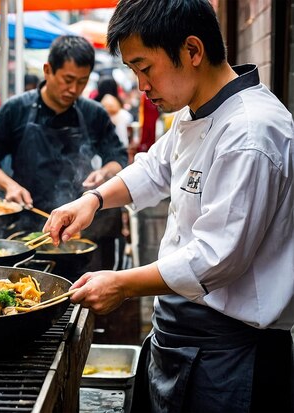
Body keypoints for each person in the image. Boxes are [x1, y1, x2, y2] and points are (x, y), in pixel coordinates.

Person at [43, 1, 294, 412]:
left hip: (231, 356)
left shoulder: (252, 131)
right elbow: (154, 169)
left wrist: (122, 284)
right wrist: (92, 199)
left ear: (192, 51)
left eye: (145, 68)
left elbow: (217, 257)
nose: (141, 85)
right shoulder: (197, 111)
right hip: (181, 332)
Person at [0, 35, 127, 270]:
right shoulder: (16, 110)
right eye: (68, 79)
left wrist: (105, 172)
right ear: (48, 70)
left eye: (82, 82)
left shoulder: (93, 113)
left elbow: (118, 156)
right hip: (31, 224)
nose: (74, 89)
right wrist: (10, 186)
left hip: (82, 228)